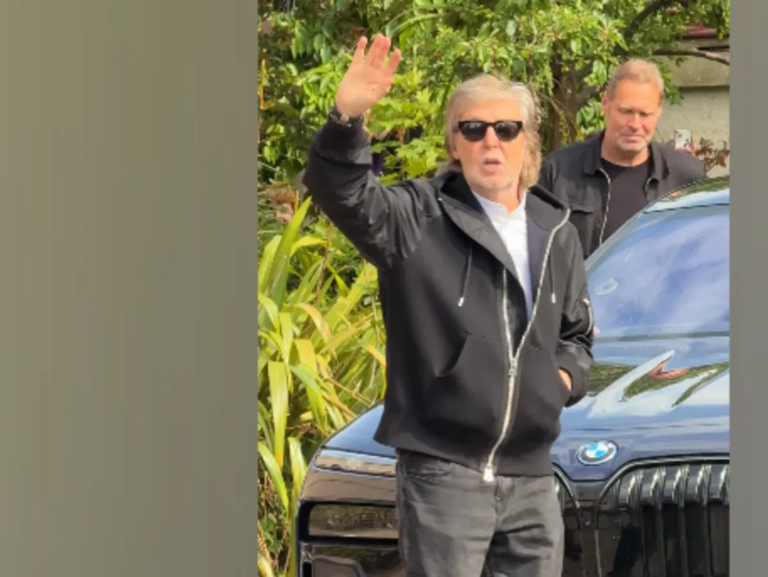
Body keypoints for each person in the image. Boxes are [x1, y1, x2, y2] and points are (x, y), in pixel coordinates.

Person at [302, 35, 594, 577]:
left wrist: (556, 382)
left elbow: (576, 336)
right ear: (455, 143)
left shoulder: (556, 230)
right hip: (443, 472)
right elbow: (340, 190)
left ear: (527, 141)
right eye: (473, 129)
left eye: (506, 129)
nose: (490, 141)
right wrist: (346, 119)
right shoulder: (415, 217)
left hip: (532, 476)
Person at [539, 58, 708, 258]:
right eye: (626, 111)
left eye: (645, 114)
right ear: (605, 104)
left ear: (659, 112)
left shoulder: (686, 177)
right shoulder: (557, 173)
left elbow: (704, 254)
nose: (635, 124)